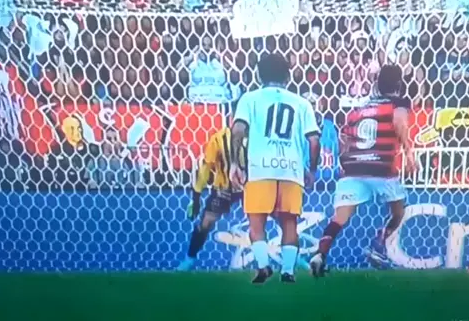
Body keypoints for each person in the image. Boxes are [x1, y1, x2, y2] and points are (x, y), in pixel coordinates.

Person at [309, 64, 417, 277]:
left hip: (353, 168)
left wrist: (346, 163)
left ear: (377, 84)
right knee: (398, 213)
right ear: (399, 84)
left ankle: (320, 254)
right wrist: (409, 152)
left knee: (339, 219)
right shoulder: (398, 103)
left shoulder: (358, 109)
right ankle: (378, 244)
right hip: (382, 168)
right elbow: (399, 122)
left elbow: (343, 139)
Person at [229, 53, 320, 284]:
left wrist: (234, 163)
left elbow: (238, 130)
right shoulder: (301, 103)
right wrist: (312, 170)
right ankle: (287, 272)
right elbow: (314, 141)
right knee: (289, 223)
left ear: (259, 75)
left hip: (260, 169)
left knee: (256, 223)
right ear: (288, 76)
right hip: (291, 170)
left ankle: (263, 267)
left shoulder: (249, 99)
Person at [176, 125, 244, 271]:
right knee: (206, 222)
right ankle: (189, 259)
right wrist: (196, 197)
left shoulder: (257, 137)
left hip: (251, 187)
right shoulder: (218, 139)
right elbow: (206, 168)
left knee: (265, 218)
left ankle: (285, 256)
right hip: (224, 187)